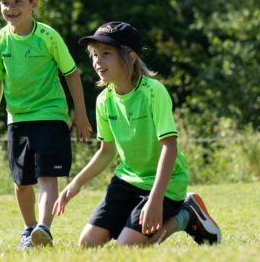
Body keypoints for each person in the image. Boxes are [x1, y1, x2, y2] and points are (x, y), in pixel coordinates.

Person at [52, 21, 221, 247]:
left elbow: (169, 148)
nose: (97, 61)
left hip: (165, 185)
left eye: (106, 53)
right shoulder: (104, 100)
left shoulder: (154, 92)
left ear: (130, 57)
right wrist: (75, 184)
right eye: (94, 55)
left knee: (127, 249)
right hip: (126, 181)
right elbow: (107, 152)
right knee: (87, 244)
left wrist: (156, 199)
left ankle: (186, 214)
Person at [0, 0, 92, 249]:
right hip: (17, 119)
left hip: (51, 115)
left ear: (34, 5)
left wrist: (80, 114)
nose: (11, 8)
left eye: (18, 1)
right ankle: (29, 230)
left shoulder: (48, 36)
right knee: (21, 183)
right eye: (5, 3)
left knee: (46, 176)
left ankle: (44, 228)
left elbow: (72, 74)